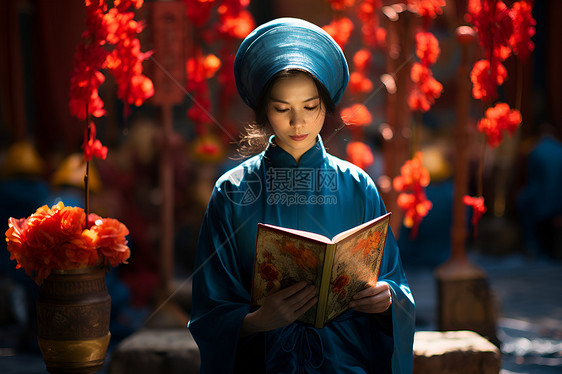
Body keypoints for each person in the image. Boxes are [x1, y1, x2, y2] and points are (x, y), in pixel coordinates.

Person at [188, 18, 415, 373]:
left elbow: (394, 283)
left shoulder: (357, 186)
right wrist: (258, 321)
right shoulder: (232, 191)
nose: (298, 123)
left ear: (326, 106)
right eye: (282, 109)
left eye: (310, 107)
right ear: (264, 110)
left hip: (345, 361)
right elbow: (208, 309)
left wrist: (386, 298)